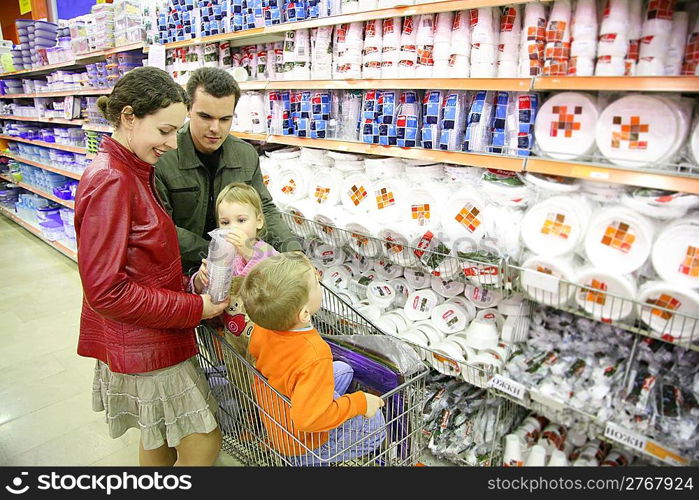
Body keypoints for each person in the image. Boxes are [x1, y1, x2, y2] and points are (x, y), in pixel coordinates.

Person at [74, 67, 229, 467]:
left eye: (175, 131)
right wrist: (195, 308)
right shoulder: (112, 180)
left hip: (147, 335)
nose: (173, 144)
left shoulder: (132, 170)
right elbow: (105, 290)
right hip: (146, 344)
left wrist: (189, 282)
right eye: (164, 131)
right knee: (204, 438)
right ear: (128, 117)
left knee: (158, 433)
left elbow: (142, 264)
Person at [238, 252, 387, 466]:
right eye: (316, 284)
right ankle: (310, 461)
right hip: (301, 441)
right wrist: (360, 403)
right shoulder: (314, 354)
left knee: (343, 370)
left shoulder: (265, 326)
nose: (319, 281)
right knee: (375, 426)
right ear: (304, 314)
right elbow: (309, 420)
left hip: (277, 407)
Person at [154, 67, 301, 274]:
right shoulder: (163, 157)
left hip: (239, 268)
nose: (216, 128)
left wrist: (292, 252)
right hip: (182, 269)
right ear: (188, 109)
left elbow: (264, 208)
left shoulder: (246, 155)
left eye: (225, 119)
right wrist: (218, 253)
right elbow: (161, 226)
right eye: (206, 117)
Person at [191, 182, 278, 357]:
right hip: (231, 333)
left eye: (241, 220)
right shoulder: (220, 252)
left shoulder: (265, 251)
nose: (233, 228)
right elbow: (208, 289)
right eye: (225, 222)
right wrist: (200, 280)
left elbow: (276, 279)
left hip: (261, 332)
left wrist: (249, 253)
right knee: (236, 369)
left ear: (259, 221)